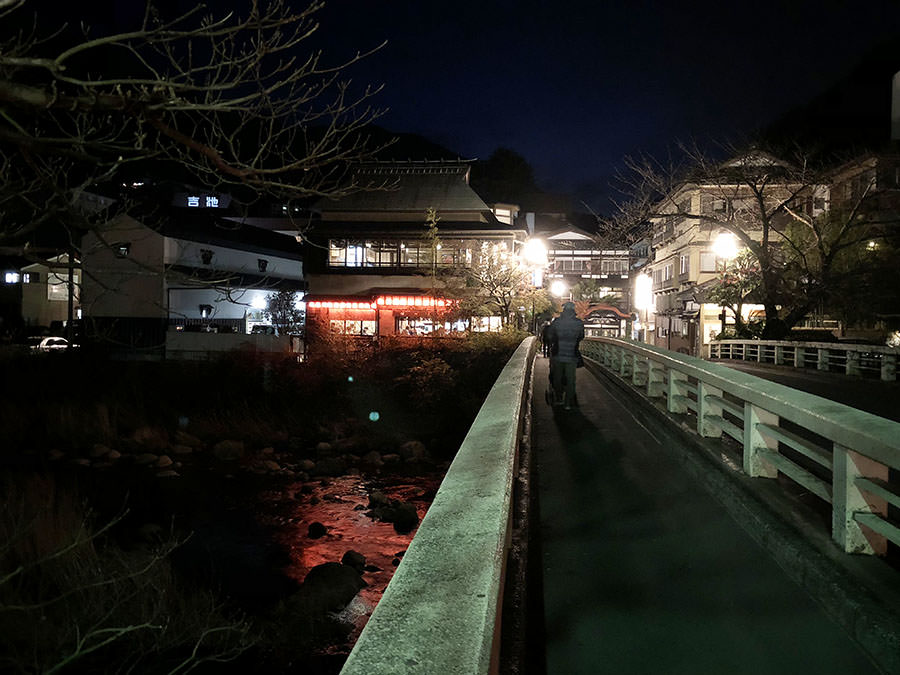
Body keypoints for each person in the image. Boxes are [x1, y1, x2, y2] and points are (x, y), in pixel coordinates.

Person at [547, 302, 584, 410]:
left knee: (557, 378)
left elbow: (550, 336)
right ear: (573, 310)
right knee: (571, 380)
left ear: (564, 310)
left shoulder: (557, 322)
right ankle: (568, 403)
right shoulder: (579, 323)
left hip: (558, 354)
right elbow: (581, 336)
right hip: (572, 355)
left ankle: (559, 398)